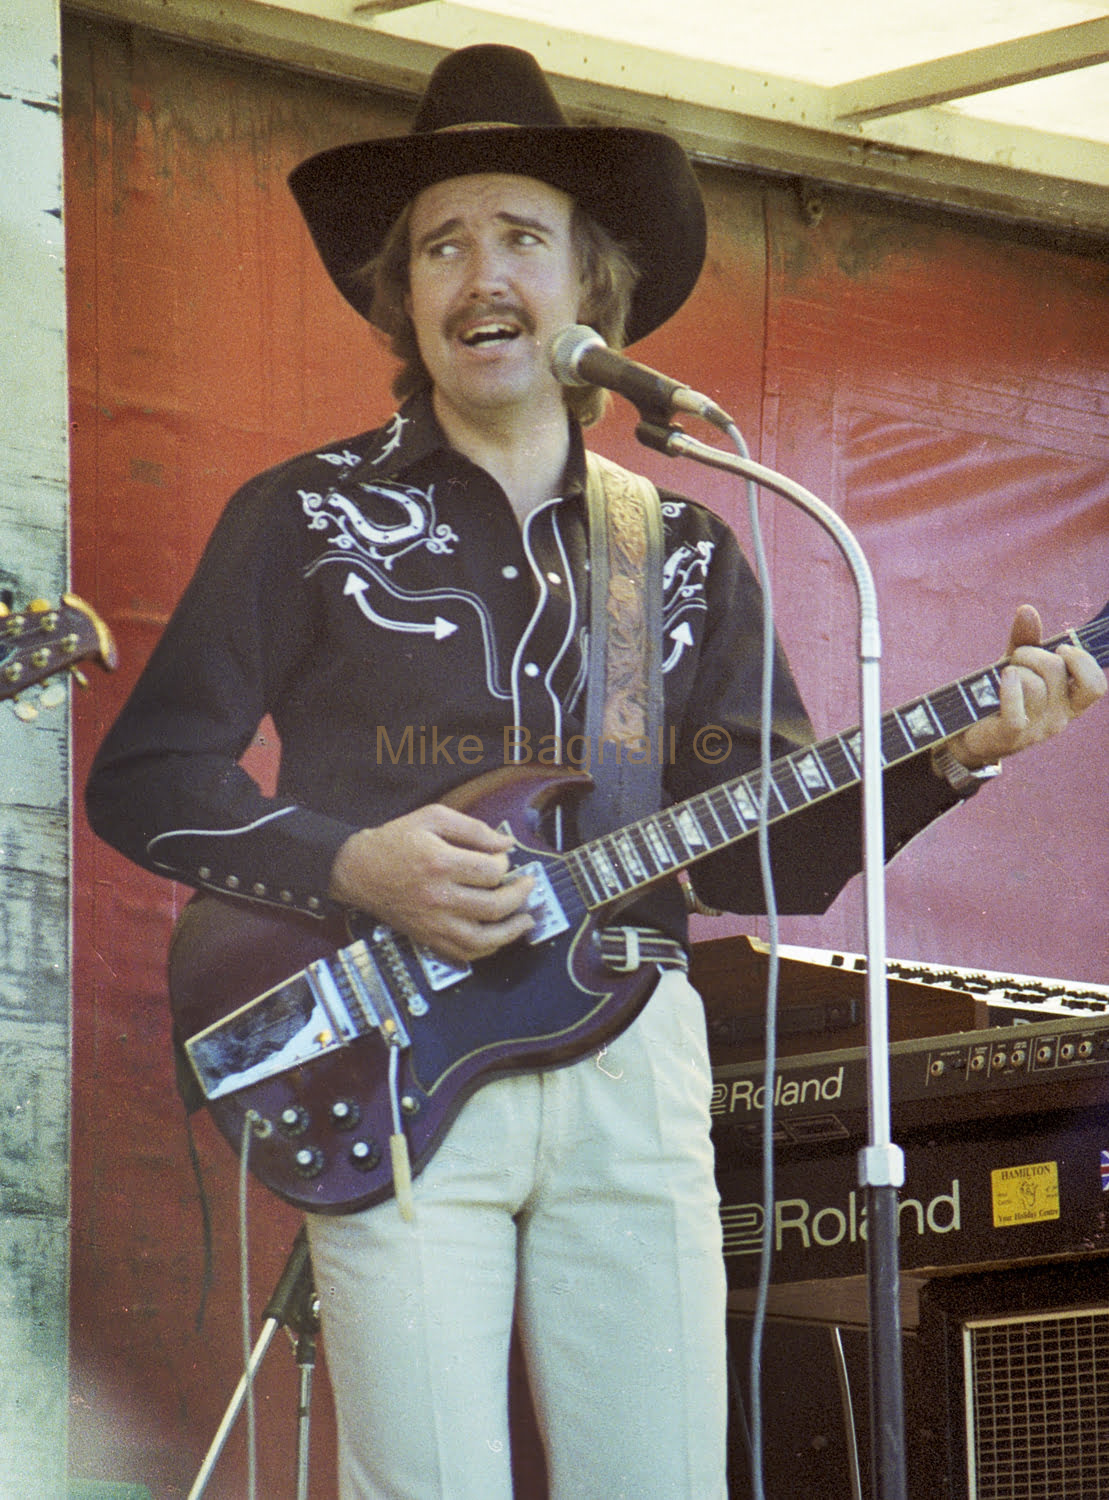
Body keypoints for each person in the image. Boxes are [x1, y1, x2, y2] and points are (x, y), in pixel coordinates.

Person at [84, 43, 1106, 1500]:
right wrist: (349, 861)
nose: (476, 273)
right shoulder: (303, 513)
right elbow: (150, 773)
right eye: (441, 245)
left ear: (591, 294)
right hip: (389, 1057)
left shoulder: (683, 549)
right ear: (405, 296)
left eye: (518, 237)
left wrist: (956, 759)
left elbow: (778, 856)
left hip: (632, 1056)